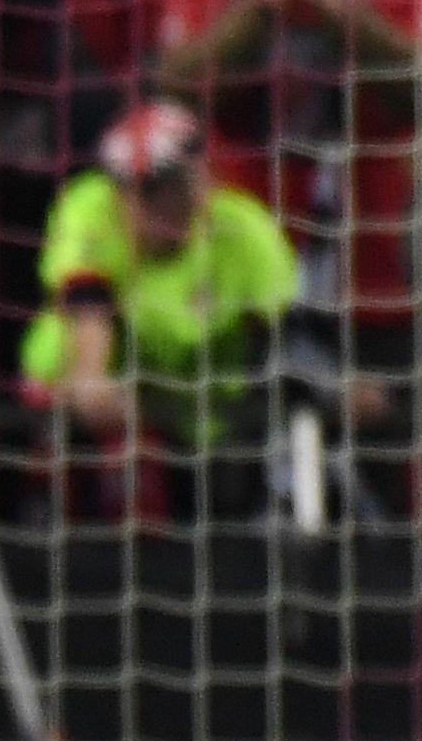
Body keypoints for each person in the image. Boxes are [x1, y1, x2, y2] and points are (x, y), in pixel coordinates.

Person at [23, 100, 305, 515]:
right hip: (107, 387)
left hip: (208, 401)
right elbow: (87, 300)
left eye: (176, 181)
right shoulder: (88, 206)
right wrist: (89, 379)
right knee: (51, 355)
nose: (164, 200)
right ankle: (44, 503)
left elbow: (294, 329)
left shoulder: (244, 228)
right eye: (146, 187)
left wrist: (331, 385)